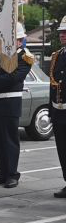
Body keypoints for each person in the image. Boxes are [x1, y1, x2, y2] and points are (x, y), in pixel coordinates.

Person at [0, 22, 33, 189]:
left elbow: (13, 78)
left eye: (13, 39)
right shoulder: (0, 55)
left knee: (9, 141)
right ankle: (2, 172)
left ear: (20, 40)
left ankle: (12, 174)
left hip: (10, 102)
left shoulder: (24, 56)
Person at [50, 15, 66, 198]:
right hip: (58, 110)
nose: (62, 35)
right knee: (62, 150)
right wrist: (51, 109)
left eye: (65, 33)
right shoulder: (57, 56)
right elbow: (52, 86)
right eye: (61, 32)